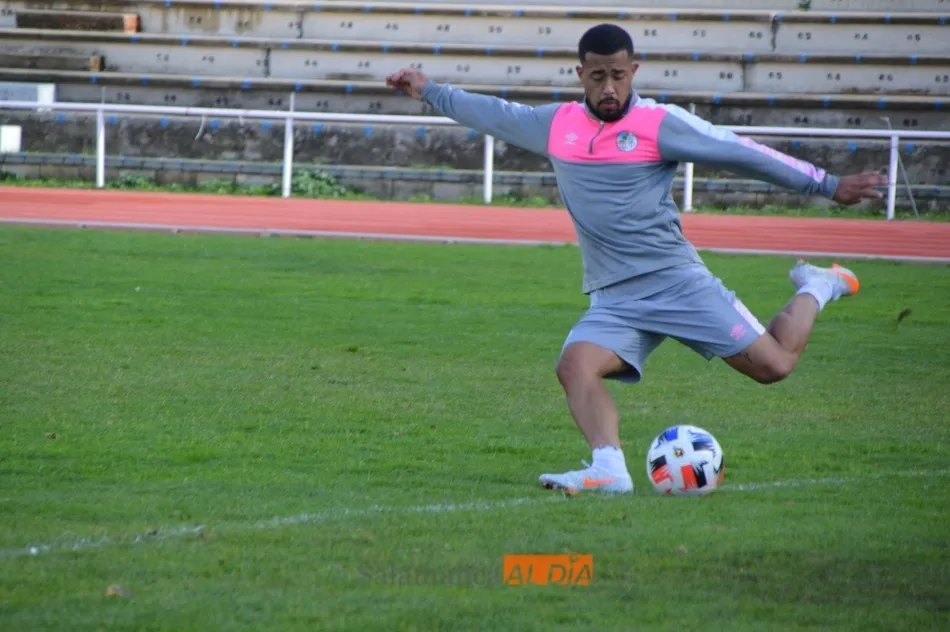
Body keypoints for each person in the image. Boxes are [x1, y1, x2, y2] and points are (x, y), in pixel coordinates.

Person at [385, 23, 887, 495]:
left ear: (633, 72)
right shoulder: (556, 125)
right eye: (597, 76)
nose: (609, 87)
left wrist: (827, 184)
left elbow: (740, 151)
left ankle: (818, 284)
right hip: (615, 297)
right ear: (580, 74)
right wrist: (429, 90)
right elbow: (490, 112)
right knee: (574, 366)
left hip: (676, 283)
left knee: (774, 365)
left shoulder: (658, 124)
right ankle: (609, 469)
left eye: (618, 75)